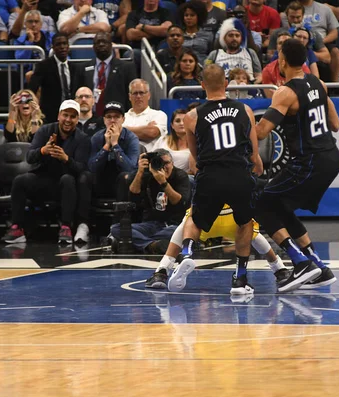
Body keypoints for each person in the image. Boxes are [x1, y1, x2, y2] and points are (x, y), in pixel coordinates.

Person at [167, 64, 263, 295]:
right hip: (239, 173)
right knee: (245, 222)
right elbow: (253, 152)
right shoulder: (245, 110)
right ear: (227, 84)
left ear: (202, 86)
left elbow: (195, 155)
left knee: (195, 218)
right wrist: (256, 167)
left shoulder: (192, 116)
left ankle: (187, 252)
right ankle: (240, 280)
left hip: (210, 175)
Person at [255, 39, 339, 292]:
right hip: (330, 157)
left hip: (309, 161)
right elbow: (335, 125)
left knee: (260, 203)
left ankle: (300, 262)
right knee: (279, 204)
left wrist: (246, 118)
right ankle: (318, 266)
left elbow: (261, 132)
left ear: (282, 60)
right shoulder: (320, 83)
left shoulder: (285, 92)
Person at [1, 100, 91, 245]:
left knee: (68, 179)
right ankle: (17, 227)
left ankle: (66, 227)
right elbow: (29, 158)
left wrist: (66, 159)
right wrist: (43, 150)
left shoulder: (83, 139)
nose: (68, 120)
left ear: (77, 119)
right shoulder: (45, 131)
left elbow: (82, 169)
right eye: (65, 115)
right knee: (20, 180)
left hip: (67, 186)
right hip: (43, 179)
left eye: (73, 117)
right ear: (59, 116)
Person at [145, 205, 290, 291]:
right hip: (232, 211)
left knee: (187, 223)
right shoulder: (240, 157)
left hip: (209, 209)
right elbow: (257, 167)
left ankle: (163, 270)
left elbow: (193, 166)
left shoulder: (205, 157)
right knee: (252, 233)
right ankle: (279, 270)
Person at [75, 100, 140, 243]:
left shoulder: (131, 139)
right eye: (109, 117)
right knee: (84, 177)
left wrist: (115, 145)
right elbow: (91, 167)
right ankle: (83, 225)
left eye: (116, 117)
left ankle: (115, 229)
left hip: (121, 184)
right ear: (104, 120)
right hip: (101, 182)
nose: (112, 120)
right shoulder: (97, 138)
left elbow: (130, 169)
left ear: (123, 119)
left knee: (125, 177)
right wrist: (106, 146)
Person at [109, 149, 191, 254]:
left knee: (179, 233)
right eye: (159, 163)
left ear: (172, 163)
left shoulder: (180, 175)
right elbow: (133, 197)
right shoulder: (148, 174)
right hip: (152, 224)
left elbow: (180, 203)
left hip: (175, 224)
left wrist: (163, 182)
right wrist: (140, 172)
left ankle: (134, 242)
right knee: (116, 228)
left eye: (166, 163)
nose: (163, 167)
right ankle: (151, 245)